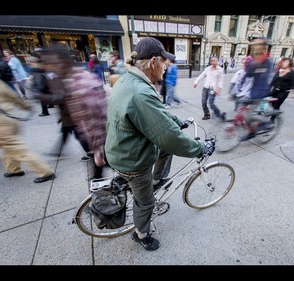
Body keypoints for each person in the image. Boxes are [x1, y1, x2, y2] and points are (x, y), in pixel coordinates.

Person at [104, 37, 215, 251]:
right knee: (145, 202)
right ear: (154, 62)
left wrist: (176, 121)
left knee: (164, 150)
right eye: (165, 62)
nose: (167, 67)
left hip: (122, 147)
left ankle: (156, 181)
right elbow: (170, 138)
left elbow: (158, 115)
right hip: (132, 161)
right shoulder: (141, 92)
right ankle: (141, 234)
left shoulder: (130, 81)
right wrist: (200, 149)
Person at [39, 44, 108, 179]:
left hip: (102, 142)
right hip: (97, 141)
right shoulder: (73, 79)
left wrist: (98, 151)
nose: (47, 68)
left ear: (62, 63)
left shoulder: (80, 86)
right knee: (100, 176)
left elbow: (97, 122)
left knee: (120, 175)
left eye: (50, 64)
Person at [0, 75, 55, 183]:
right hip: (9, 116)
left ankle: (45, 171)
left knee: (18, 149)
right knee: (6, 147)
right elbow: (12, 95)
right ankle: (13, 169)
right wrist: (25, 106)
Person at [241, 38, 274, 141]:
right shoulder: (254, 59)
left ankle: (267, 122)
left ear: (263, 46)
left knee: (249, 114)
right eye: (254, 44)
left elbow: (263, 79)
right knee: (244, 113)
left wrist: (256, 65)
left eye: (257, 44)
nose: (255, 46)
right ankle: (252, 131)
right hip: (252, 92)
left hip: (261, 92)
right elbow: (248, 74)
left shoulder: (267, 61)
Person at [194, 56, 226, 120]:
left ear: (217, 61)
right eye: (212, 61)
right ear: (211, 62)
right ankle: (207, 114)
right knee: (203, 102)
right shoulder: (207, 69)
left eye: (215, 61)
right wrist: (196, 82)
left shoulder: (220, 70)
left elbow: (220, 80)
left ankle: (219, 114)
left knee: (211, 103)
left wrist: (219, 89)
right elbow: (201, 75)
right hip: (205, 87)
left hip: (213, 89)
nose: (214, 62)